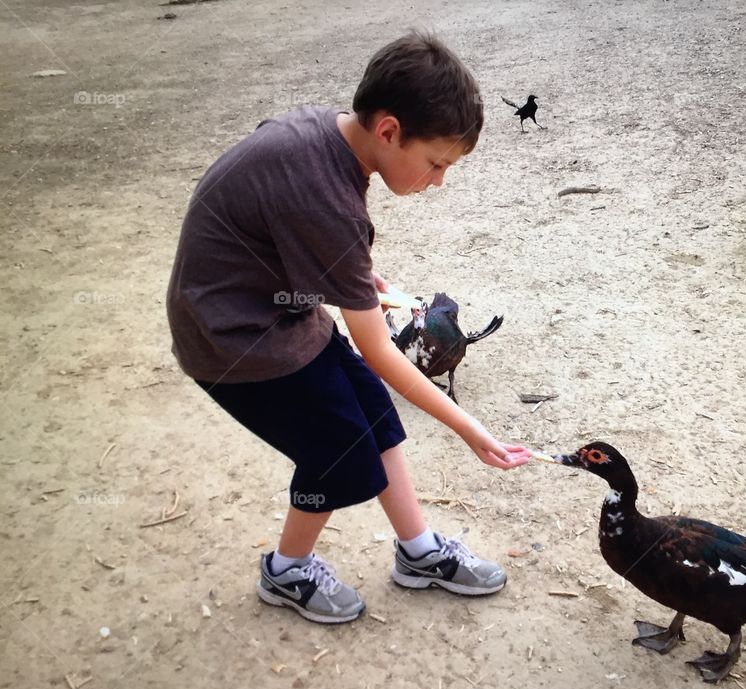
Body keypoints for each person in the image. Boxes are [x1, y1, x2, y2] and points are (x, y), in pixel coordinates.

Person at [166, 31, 531, 624]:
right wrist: (472, 430)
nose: (438, 180)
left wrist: (355, 275)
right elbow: (383, 352)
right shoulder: (329, 200)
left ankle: (418, 553)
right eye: (436, 163)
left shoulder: (326, 131)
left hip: (275, 309)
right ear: (389, 131)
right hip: (233, 338)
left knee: (375, 416)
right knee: (338, 454)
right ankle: (285, 571)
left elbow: (288, 221)